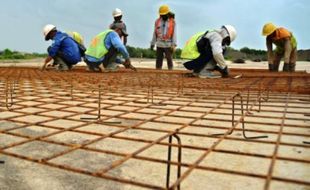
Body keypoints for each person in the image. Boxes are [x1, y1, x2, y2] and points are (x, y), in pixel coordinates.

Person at [150, 5, 177, 70]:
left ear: (167, 14)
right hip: (159, 44)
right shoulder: (157, 21)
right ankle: (158, 74)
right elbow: (155, 33)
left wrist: (173, 45)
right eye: (161, 15)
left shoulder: (172, 22)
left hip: (168, 44)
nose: (162, 16)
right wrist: (152, 43)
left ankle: (170, 72)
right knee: (158, 61)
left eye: (164, 15)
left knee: (169, 60)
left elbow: (174, 34)